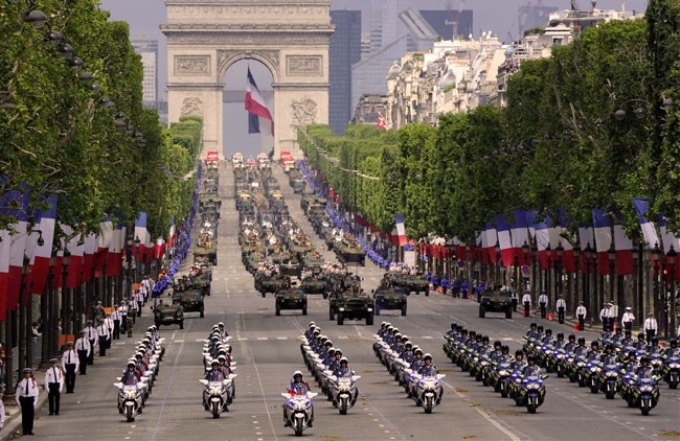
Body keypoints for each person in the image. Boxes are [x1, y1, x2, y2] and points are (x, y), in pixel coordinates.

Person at [16, 368, 39, 436]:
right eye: (26, 373)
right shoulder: (21, 382)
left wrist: (34, 403)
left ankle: (30, 430)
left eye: (28, 373)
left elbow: (36, 393)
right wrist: (19, 404)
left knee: (30, 416)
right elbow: (18, 394)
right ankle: (25, 430)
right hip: (24, 399)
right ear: (24, 374)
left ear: (30, 374)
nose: (27, 375)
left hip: (30, 399)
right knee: (24, 416)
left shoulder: (33, 382)